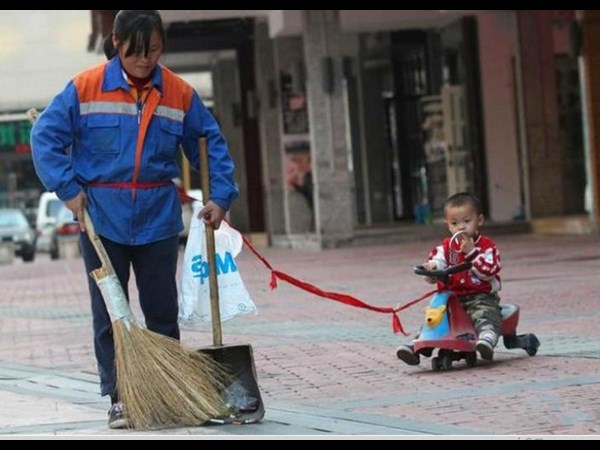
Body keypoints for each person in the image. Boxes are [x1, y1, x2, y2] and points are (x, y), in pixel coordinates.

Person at [30, 10, 238, 429]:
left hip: (157, 217)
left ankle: (164, 390)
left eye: (155, 50)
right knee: (111, 312)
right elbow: (44, 137)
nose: (145, 60)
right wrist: (68, 190)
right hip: (100, 220)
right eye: (137, 51)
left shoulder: (179, 93)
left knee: (161, 310)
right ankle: (120, 396)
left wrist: (220, 196)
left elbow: (210, 141)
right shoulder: (84, 87)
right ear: (117, 43)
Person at [396, 192, 502, 365]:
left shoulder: (486, 246)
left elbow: (489, 271)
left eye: (467, 221)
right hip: (452, 296)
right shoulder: (447, 248)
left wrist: (471, 252)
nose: (461, 227)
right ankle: (418, 344)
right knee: (435, 316)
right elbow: (439, 262)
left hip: (479, 295)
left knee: (484, 314)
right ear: (447, 225)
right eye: (455, 223)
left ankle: (487, 338)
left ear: (479, 220)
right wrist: (432, 268)